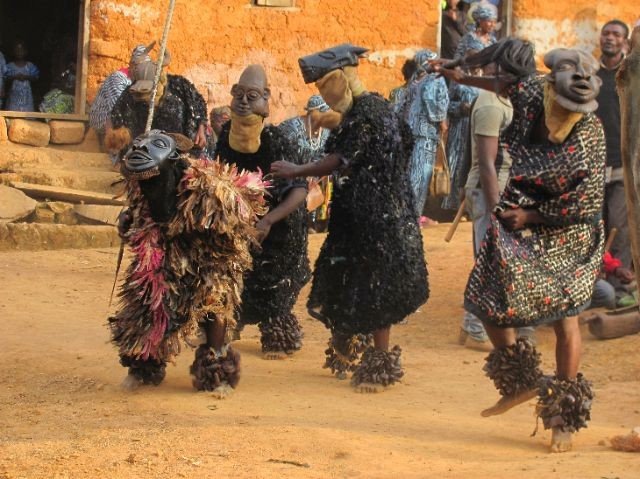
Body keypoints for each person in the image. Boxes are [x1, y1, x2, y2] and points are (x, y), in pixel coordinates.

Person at [438, 39, 605, 453]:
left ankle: (563, 417)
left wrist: (530, 218)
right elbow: (503, 80)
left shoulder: (591, 135)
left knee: (566, 318)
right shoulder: (535, 93)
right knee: (486, 292)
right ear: (553, 89)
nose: (564, 113)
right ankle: (521, 379)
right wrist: (461, 75)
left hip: (570, 230)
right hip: (524, 208)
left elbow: (586, 204)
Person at [272, 44, 429, 392]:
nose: (323, 95)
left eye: (326, 85)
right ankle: (346, 345)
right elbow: (404, 141)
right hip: (358, 217)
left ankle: (379, 363)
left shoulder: (368, 114)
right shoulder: (368, 111)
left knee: (375, 288)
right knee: (341, 277)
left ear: (342, 79)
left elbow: (340, 159)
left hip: (380, 220)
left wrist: (298, 169)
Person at [110, 130, 268, 396]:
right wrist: (129, 221)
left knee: (212, 305)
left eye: (153, 180)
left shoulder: (208, 189)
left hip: (208, 255)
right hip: (162, 248)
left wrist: (214, 237)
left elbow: (239, 218)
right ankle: (143, 368)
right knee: (147, 304)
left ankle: (216, 372)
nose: (147, 187)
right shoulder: (139, 179)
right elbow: (137, 211)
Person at [214, 65, 311, 359]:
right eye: (238, 94)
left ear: (266, 100)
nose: (243, 102)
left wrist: (269, 219)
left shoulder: (277, 140)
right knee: (230, 274)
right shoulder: (225, 136)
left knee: (272, 281)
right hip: (239, 222)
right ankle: (229, 324)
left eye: (252, 95)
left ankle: (278, 331)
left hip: (280, 226)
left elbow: (300, 189)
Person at [107, 50, 207, 161]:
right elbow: (116, 114)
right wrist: (118, 134)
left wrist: (201, 129)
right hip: (147, 152)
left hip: (179, 148)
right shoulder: (131, 93)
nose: (143, 95)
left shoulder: (180, 86)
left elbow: (199, 105)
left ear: (160, 82)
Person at [596, 20, 632, 273]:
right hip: (593, 166)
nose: (609, 38)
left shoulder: (631, 75)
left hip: (622, 164)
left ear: (625, 42)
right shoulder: (588, 75)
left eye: (616, 34)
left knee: (619, 226)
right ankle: (594, 287)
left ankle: (619, 289)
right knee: (593, 226)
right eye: (606, 33)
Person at [279, 95, 341, 231]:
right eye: (322, 113)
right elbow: (282, 152)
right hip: (291, 172)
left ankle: (318, 223)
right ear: (312, 112)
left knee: (332, 178)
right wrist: (301, 173)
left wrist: (313, 174)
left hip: (314, 174)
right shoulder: (292, 128)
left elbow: (326, 155)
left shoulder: (325, 132)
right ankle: (297, 222)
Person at [402, 49, 449, 220]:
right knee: (420, 179)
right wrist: (442, 120)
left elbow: (402, 107)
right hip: (426, 134)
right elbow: (432, 100)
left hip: (410, 133)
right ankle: (412, 219)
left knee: (409, 176)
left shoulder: (413, 81)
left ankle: (405, 216)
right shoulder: (434, 79)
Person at [89, 43, 153, 151]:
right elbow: (115, 110)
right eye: (139, 66)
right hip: (103, 119)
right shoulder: (119, 79)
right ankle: (114, 149)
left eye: (145, 68)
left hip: (124, 118)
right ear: (131, 64)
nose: (142, 70)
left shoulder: (143, 81)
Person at [441, 54, 479, 211]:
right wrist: (461, 107)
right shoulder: (458, 81)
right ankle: (452, 206)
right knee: (456, 163)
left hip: (476, 128)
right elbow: (446, 104)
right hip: (460, 127)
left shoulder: (486, 81)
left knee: (474, 165)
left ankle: (470, 207)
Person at [4, 41, 39, 112]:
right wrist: (14, 77)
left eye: (21, 50)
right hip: (13, 98)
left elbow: (36, 77)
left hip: (27, 98)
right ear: (13, 52)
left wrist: (27, 77)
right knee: (13, 117)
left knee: (27, 118)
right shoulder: (9, 66)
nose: (19, 52)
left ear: (26, 52)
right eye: (17, 50)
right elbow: (4, 78)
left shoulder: (30, 66)